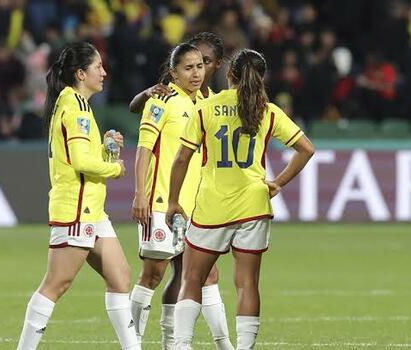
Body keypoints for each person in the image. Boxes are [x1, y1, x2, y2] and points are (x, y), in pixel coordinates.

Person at [166, 49, 315, 350]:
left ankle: (181, 346)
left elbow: (182, 158)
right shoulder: (267, 111)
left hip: (212, 207)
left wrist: (172, 201)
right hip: (253, 206)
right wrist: (278, 183)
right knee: (247, 284)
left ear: (229, 74)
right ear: (262, 77)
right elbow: (306, 149)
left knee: (192, 278)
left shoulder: (206, 108)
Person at [16, 42, 140, 350]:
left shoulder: (72, 104)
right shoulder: (75, 108)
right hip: (76, 210)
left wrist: (105, 147)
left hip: (92, 211)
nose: (104, 72)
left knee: (120, 277)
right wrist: (115, 168)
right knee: (56, 284)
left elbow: (82, 155)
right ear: (81, 73)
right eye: (98, 67)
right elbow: (81, 163)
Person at [130, 41, 234, 350]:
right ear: (173, 73)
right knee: (153, 274)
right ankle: (131, 342)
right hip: (161, 199)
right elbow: (144, 150)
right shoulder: (162, 100)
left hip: (196, 206)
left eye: (200, 66)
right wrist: (140, 195)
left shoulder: (207, 103)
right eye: (188, 68)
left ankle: (192, 343)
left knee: (209, 274)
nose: (196, 73)